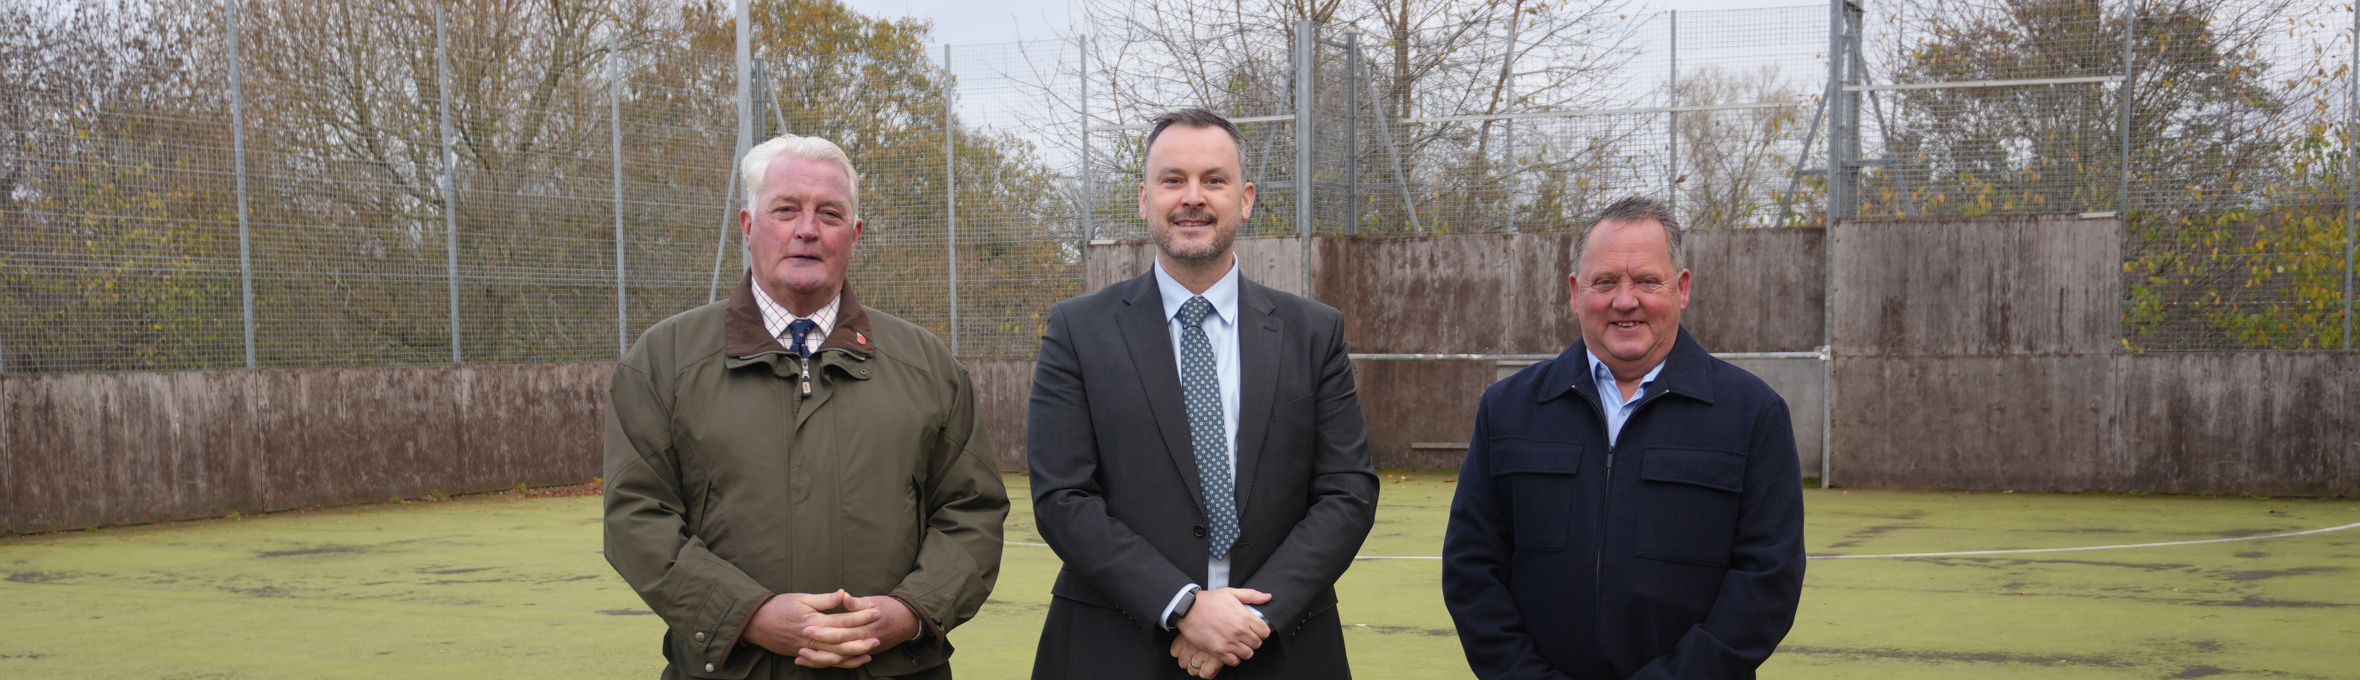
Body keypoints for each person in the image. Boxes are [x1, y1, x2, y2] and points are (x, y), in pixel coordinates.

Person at [602, 134, 1009, 680]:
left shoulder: (928, 366)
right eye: (786, 209)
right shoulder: (663, 361)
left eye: (830, 213)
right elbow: (636, 517)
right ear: (749, 227)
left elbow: (972, 513)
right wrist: (747, 615)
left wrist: (910, 613)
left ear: (855, 235)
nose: (808, 229)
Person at [1027, 108, 1380, 680]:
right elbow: (1063, 497)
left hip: (1279, 646)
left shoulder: (1314, 332)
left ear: (1245, 199)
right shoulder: (1077, 330)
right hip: (1114, 646)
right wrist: (1183, 603)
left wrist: (1247, 617)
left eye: (1214, 180)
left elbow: (1348, 491)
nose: (1193, 197)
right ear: (1146, 200)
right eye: (1173, 180)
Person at [1442, 196, 1806, 680]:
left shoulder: (1753, 413)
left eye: (1648, 281)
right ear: (1576, 291)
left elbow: (1768, 582)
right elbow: (1471, 569)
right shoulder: (1507, 409)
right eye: (1605, 281)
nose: (1625, 300)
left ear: (1682, 288)